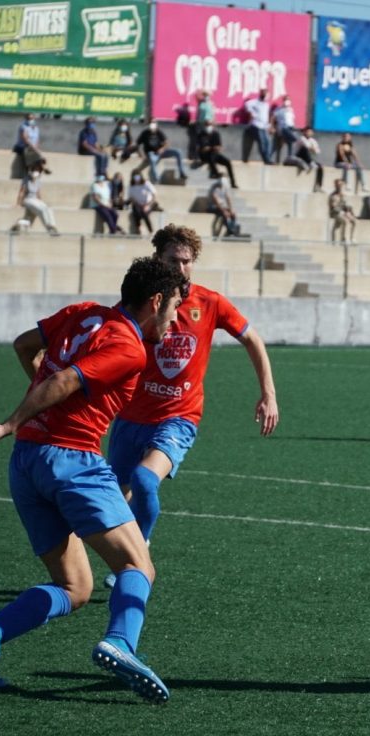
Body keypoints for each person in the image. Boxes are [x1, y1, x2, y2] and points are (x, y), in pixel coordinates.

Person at [0, 257, 187, 703]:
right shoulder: (129, 346)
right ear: (155, 301)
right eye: (174, 307)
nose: (175, 320)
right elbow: (64, 380)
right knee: (138, 566)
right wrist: (9, 422)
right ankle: (120, 642)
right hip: (73, 461)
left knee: (76, 587)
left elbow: (25, 346)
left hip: (27, 463)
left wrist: (30, 416)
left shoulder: (82, 312)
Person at [105, 225, 278, 581]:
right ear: (158, 259)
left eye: (187, 261)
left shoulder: (209, 303)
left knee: (144, 479)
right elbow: (107, 336)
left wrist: (268, 395)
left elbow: (253, 339)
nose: (181, 268)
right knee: (110, 499)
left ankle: (140, 551)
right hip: (130, 417)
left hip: (178, 419)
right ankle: (119, 559)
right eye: (173, 260)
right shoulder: (141, 302)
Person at [135, 119, 186, 184]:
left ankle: (182, 173)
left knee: (178, 152)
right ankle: (156, 179)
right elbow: (137, 144)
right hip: (151, 154)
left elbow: (167, 143)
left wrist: (162, 149)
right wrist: (141, 154)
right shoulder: (145, 133)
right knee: (150, 159)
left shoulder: (159, 132)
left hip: (160, 153)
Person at [15, 166, 59, 235]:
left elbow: (38, 193)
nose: (36, 172)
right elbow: (22, 192)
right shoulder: (26, 180)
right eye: (35, 170)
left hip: (35, 200)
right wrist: (18, 203)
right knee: (41, 209)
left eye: (38, 171)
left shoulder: (38, 181)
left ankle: (53, 226)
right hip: (28, 199)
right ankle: (49, 227)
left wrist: (41, 202)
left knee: (48, 208)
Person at [197, 121, 237, 186]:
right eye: (207, 125)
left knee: (228, 162)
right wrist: (210, 148)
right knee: (211, 156)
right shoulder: (201, 135)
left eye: (210, 125)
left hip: (214, 154)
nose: (208, 127)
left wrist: (212, 148)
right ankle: (215, 173)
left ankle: (233, 182)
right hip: (205, 155)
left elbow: (219, 147)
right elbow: (202, 149)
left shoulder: (215, 134)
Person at [286, 127, 324, 192]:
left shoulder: (313, 140)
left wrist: (313, 149)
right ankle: (311, 163)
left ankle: (318, 186)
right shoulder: (301, 138)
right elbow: (307, 146)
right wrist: (313, 148)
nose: (309, 133)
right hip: (300, 156)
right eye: (307, 132)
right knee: (304, 149)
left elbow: (318, 151)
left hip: (309, 158)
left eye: (310, 132)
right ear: (304, 132)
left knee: (320, 167)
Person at [243, 89, 273, 164]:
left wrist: (269, 125)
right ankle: (266, 160)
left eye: (266, 95)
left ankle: (268, 158)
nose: (265, 96)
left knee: (268, 142)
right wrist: (252, 112)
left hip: (264, 126)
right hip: (256, 125)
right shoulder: (255, 102)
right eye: (264, 94)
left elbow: (266, 115)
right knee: (262, 143)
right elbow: (246, 105)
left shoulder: (266, 104)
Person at [272, 95, 298, 163]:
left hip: (291, 128)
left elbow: (292, 120)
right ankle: (295, 139)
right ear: (283, 101)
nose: (287, 101)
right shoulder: (279, 109)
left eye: (288, 100)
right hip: (283, 128)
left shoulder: (291, 110)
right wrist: (272, 127)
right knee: (294, 139)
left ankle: (290, 159)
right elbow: (273, 118)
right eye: (286, 100)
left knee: (290, 144)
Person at [328, 179, 356, 243]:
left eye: (341, 185)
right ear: (335, 185)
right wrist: (343, 213)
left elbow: (347, 205)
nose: (340, 186)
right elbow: (333, 207)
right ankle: (344, 239)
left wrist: (349, 212)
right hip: (335, 213)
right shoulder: (333, 195)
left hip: (343, 213)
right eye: (338, 185)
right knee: (345, 221)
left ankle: (353, 238)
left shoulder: (344, 195)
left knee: (354, 221)